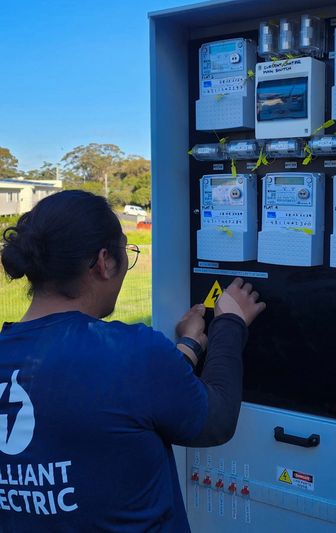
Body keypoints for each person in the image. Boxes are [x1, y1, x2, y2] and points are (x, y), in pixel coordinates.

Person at [0, 190, 266, 532]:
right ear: (104, 262)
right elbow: (215, 420)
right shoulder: (133, 352)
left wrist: (188, 346)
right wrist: (230, 323)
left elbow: (114, 403)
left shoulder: (126, 361)